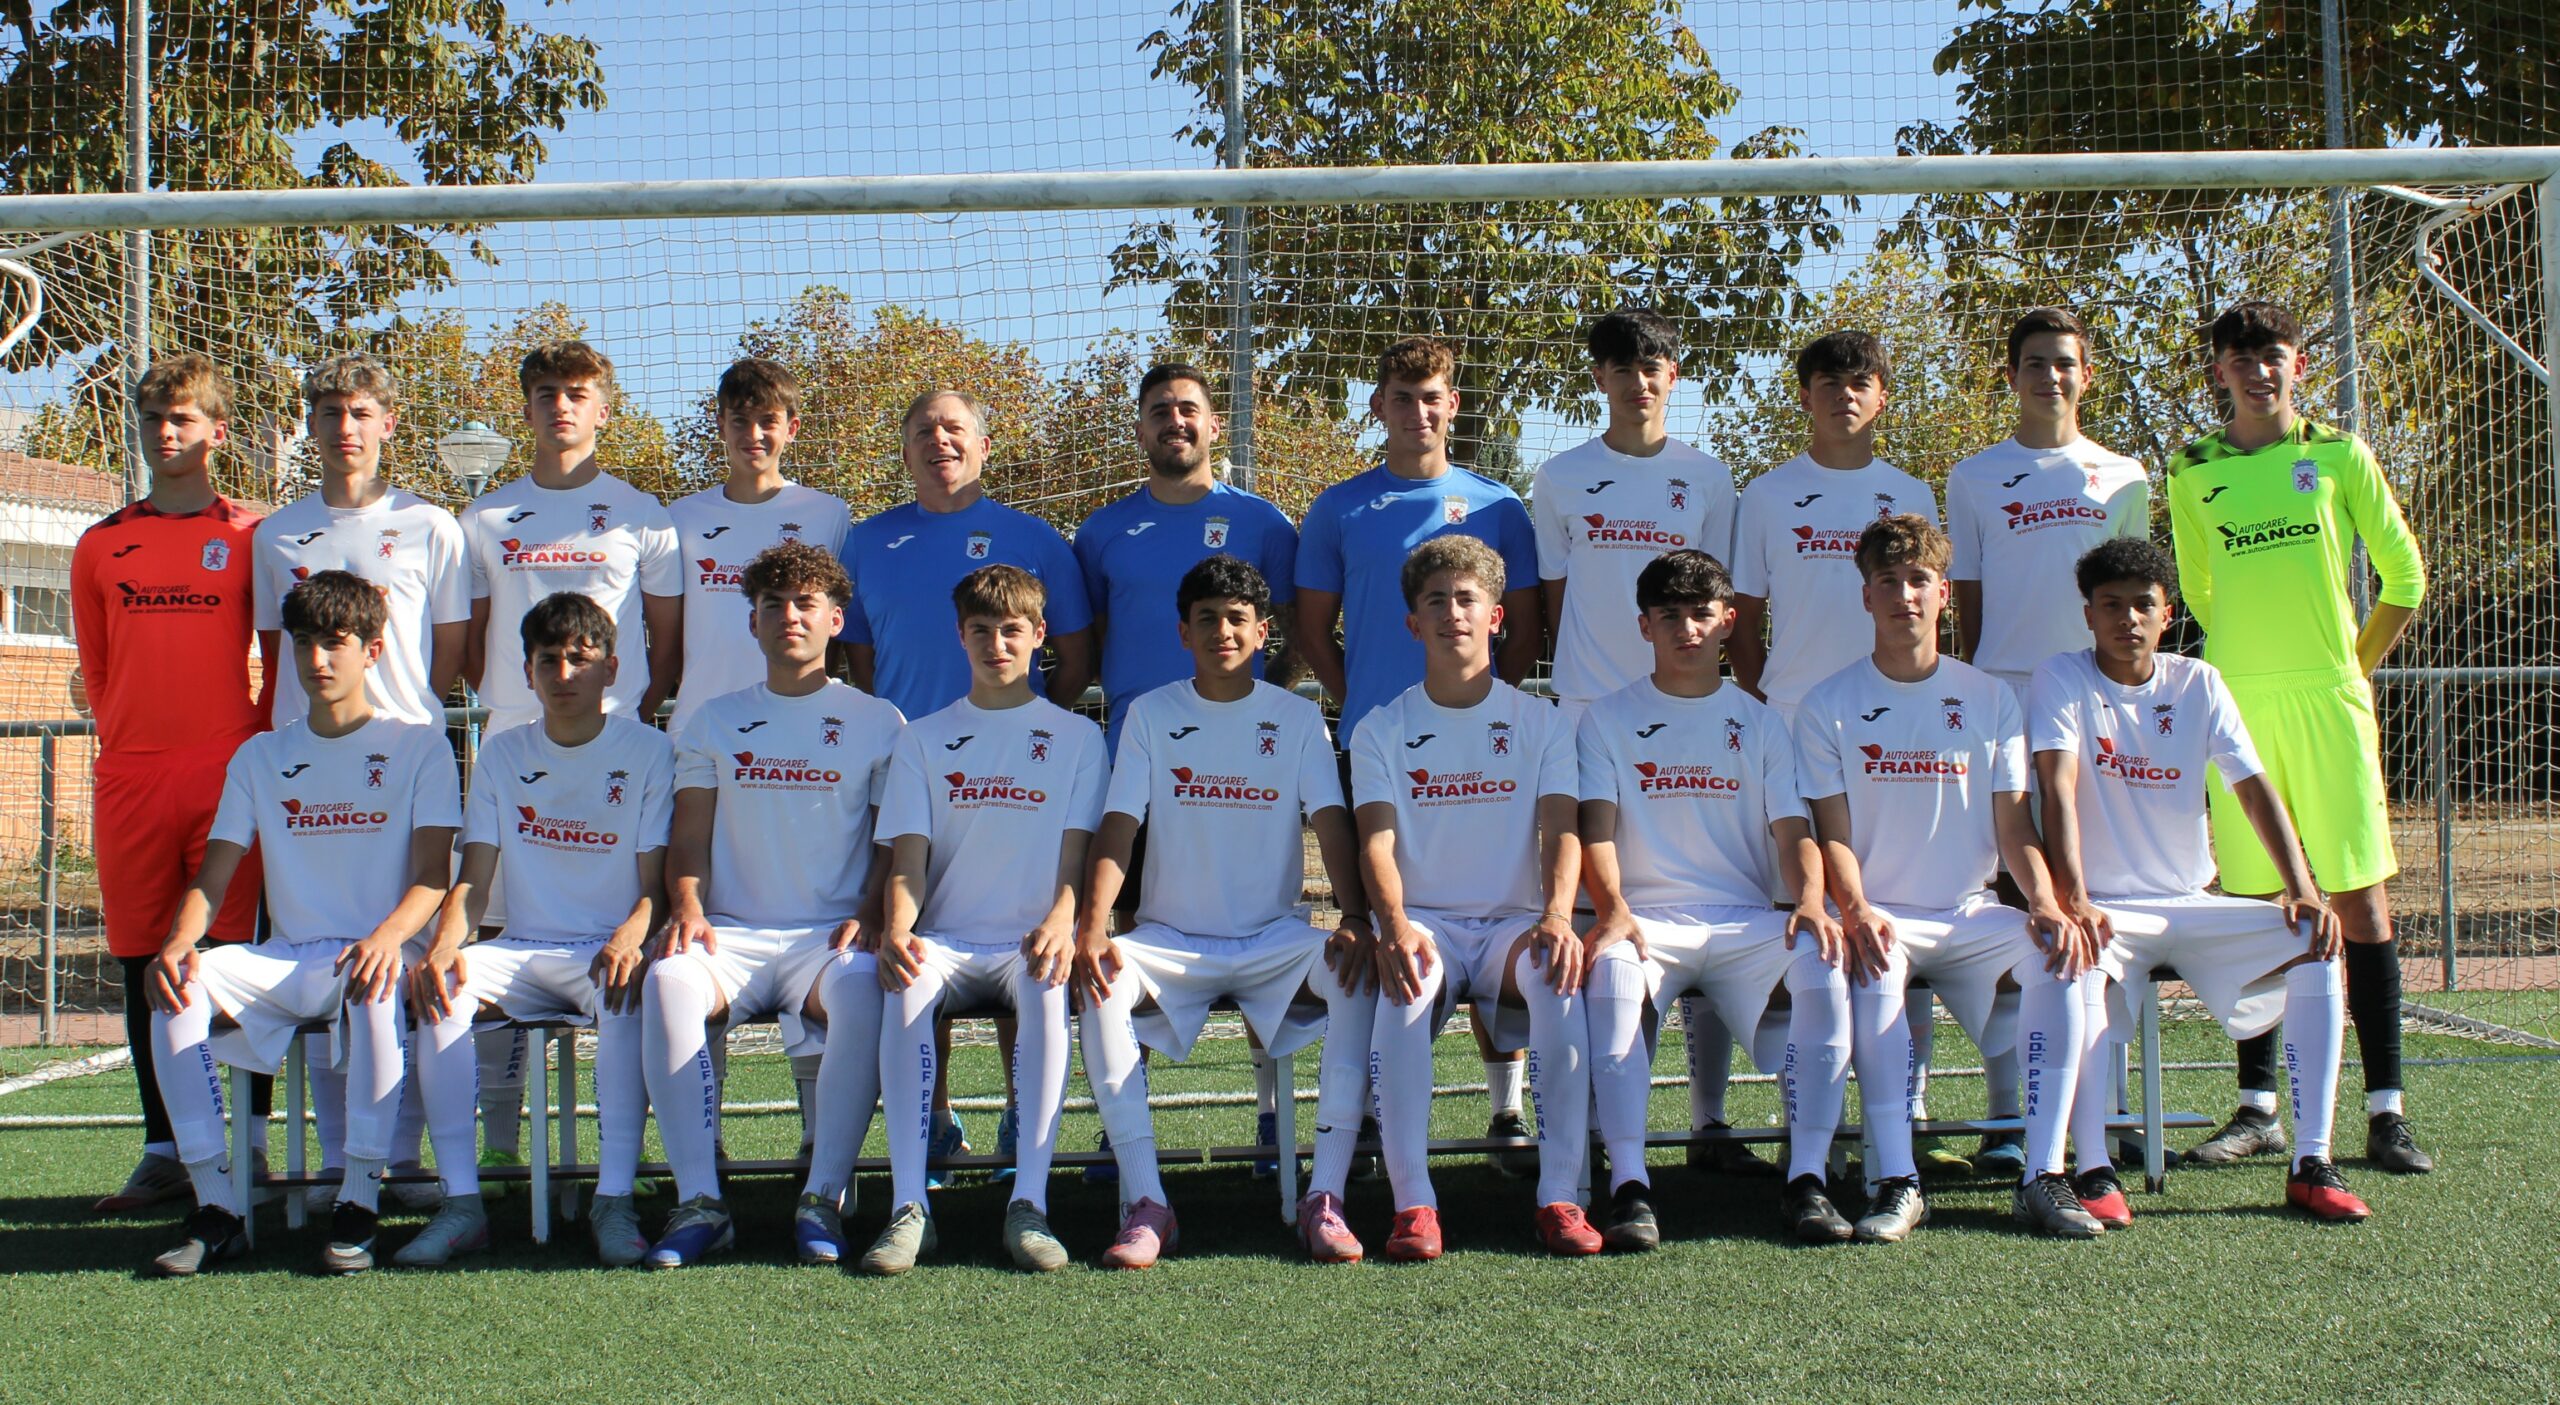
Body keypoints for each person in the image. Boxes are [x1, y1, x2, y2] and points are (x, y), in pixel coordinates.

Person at [2166, 300, 2432, 1175]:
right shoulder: (2192, 470)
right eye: (2239, 358)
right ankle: (2257, 1108)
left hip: (2329, 703)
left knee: (2357, 900)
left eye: (2271, 355)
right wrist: (2249, 672)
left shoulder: (2340, 454)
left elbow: (2405, 576)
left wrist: (2346, 668)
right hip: (2242, 708)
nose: (2256, 371)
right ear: (2219, 373)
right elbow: (2203, 595)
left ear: (2299, 365)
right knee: (2258, 908)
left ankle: (2385, 1109)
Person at [2030, 538, 2366, 1223]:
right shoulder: (2061, 677)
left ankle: (2311, 1160)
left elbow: (2252, 787)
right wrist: (2075, 895)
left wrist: (2299, 884)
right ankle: (2094, 1167)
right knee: (2073, 954)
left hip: (2192, 900)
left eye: (2143, 605)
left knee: (2315, 939)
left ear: (2168, 612)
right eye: (2111, 605)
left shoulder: (2198, 682)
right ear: (2088, 614)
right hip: (2111, 910)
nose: (2128, 618)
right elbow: (2055, 789)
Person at [140, 570, 458, 1276]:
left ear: (373, 649)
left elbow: (434, 875)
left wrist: (384, 936)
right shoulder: (261, 756)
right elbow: (212, 875)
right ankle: (218, 1207)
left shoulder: (420, 746)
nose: (318, 660)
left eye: (335, 643)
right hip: (285, 957)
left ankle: (358, 1201)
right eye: (305, 643)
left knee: (374, 983)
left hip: (376, 950)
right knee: (177, 987)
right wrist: (178, 941)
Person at [1793, 515, 2098, 1242]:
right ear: (1865, 597)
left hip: (1970, 913)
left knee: (2062, 958)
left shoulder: (1990, 698)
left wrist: (2048, 901)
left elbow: (2014, 827)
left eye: (1920, 581)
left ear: (1944, 595)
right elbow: (1832, 833)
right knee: (1867, 968)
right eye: (1888, 582)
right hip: (1883, 915)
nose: (1905, 596)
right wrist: (1857, 904)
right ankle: (1899, 1179)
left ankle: (2044, 1174)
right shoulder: (1827, 704)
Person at [1072, 555, 1373, 1267]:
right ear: (1183, 631)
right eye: (1206, 618)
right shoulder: (1150, 712)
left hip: (1274, 937)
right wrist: (1093, 924)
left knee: (1356, 972)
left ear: (1264, 631)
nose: (1222, 631)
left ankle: (1323, 1196)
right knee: (1102, 981)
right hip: (1170, 938)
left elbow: (1331, 822)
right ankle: (1148, 1202)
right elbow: (1119, 826)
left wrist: (1354, 915)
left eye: (1237, 618)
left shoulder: (1297, 716)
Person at [1296, 336, 1543, 1160]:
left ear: (1453, 405)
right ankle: (1370, 1109)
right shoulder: (1339, 506)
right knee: (1389, 923)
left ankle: (1506, 1106)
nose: (1418, 411)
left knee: (1490, 899)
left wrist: (1479, 706)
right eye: (1402, 397)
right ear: (1379, 407)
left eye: (1432, 396)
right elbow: (1310, 626)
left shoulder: (1501, 504)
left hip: (1486, 740)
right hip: (1385, 742)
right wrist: (1356, 701)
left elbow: (1526, 624)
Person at [1530, 305, 1761, 1178]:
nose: (1639, 380)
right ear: (1599, 379)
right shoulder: (1559, 478)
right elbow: (1553, 606)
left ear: (1675, 375)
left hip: (1697, 712)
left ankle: (1708, 1119)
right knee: (1603, 921)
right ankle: (1593, 1124)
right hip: (1591, 714)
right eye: (1621, 366)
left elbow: (1719, 598)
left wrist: (1749, 693)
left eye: (1653, 365)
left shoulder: (1707, 478)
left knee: (1704, 895)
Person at [1576, 549, 1856, 1247]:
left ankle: (1809, 1180)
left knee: (1822, 962)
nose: (1687, 629)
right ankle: (1632, 1186)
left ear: (1729, 621)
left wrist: (1812, 902)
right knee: (1611, 973)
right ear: (1644, 626)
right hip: (1646, 922)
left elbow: (1794, 831)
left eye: (1701, 614)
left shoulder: (1761, 722)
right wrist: (1613, 910)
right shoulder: (1605, 720)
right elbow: (1596, 833)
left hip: (1744, 919)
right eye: (1668, 615)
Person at [456, 338, 681, 1179]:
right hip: (518, 758)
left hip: (615, 766)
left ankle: (639, 1158)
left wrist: (633, 722)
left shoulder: (642, 514)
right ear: (526, 406)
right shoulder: (484, 519)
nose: (561, 405)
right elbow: (473, 645)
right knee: (494, 942)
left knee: (633, 957)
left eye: (577, 392)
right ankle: (502, 1144)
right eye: (545, 391)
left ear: (603, 407)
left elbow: (670, 645)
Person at [1071, 362, 1303, 1170]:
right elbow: (1086, 638)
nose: (1175, 420)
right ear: (1140, 429)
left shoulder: (1266, 522)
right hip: (1137, 762)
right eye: (1159, 410)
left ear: (1215, 425)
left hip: (1243, 771)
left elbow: (1295, 634)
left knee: (1256, 921)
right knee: (1130, 939)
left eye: (1190, 409)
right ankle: (1119, 1122)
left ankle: (1274, 1115)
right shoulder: (1101, 531)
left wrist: (1253, 712)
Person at [396, 592, 673, 1268]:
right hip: (521, 947)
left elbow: (655, 888)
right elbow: (473, 881)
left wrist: (631, 935)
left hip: (602, 948)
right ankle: (463, 1205)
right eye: (548, 660)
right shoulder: (500, 752)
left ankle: (614, 1199)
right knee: (443, 991)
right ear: (527, 673)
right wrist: (443, 944)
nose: (564, 673)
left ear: (611, 669)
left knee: (626, 989)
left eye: (580, 659)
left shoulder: (649, 750)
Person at [250, 353, 468, 1210]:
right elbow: (276, 656)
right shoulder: (277, 535)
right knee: (313, 954)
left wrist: (405, 710)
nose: (345, 425)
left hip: (403, 766)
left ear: (388, 422)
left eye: (361, 411)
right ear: (310, 423)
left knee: (400, 958)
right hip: (306, 768)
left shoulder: (431, 525)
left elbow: (448, 655)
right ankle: (341, 1160)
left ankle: (400, 1158)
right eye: (330, 410)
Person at [646, 542, 903, 1268]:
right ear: (752, 623)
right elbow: (688, 836)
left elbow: (891, 842)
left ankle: (822, 1197)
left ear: (834, 618)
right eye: (772, 605)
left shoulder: (879, 720)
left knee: (862, 987)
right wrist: (688, 906)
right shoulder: (710, 721)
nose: (788, 616)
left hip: (826, 941)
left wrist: (872, 908)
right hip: (731, 937)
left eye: (804, 603)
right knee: (667, 979)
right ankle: (701, 1201)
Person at [1939, 306, 2150, 1177]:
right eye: (2033, 362)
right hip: (2009, 702)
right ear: (2012, 375)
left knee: (2099, 892)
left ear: (2086, 374)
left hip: (2093, 704)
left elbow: (2132, 599)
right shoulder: (1975, 476)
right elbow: (1973, 611)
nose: (2049, 375)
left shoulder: (2125, 473)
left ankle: (2111, 1105)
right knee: (2012, 907)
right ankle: (2005, 1114)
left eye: (2064, 362)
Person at [857, 564, 1106, 1275]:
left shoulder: (1076, 738)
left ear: (1038, 636)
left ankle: (1029, 1203)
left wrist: (1063, 919)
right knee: (904, 982)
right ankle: (910, 1207)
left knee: (1046, 982)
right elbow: (908, 856)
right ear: (959, 636)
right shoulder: (924, 738)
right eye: (981, 630)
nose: (996, 643)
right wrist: (900, 928)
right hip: (945, 940)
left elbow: (1076, 854)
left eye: (1011, 630)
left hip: (1027, 939)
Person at [73, 353, 275, 1215]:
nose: (168, 432)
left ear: (216, 432)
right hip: (132, 775)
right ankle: (164, 1147)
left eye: (185, 418)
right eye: (156, 417)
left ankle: (251, 1149)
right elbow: (99, 665)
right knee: (136, 956)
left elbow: (275, 657)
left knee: (230, 962)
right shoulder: (98, 543)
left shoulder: (254, 535)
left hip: (226, 773)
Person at [1348, 535, 1586, 1259]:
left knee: (1557, 971)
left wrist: (1555, 915)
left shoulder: (1542, 721)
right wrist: (1393, 924)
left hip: (1514, 924)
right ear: (1412, 622)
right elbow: (1376, 843)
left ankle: (1561, 1194)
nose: (1452, 612)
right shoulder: (1381, 727)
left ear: (1497, 616)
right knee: (1405, 982)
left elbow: (1562, 831)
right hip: (1431, 925)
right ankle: (1414, 1202)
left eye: (1466, 598)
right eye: (1435, 601)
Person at [665, 357, 852, 737]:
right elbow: (665, 631)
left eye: (768, 421)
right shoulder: (681, 517)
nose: (754, 434)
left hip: (795, 724)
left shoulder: (828, 513)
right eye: (740, 420)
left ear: (791, 428)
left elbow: (834, 632)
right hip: (699, 725)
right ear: (721, 425)